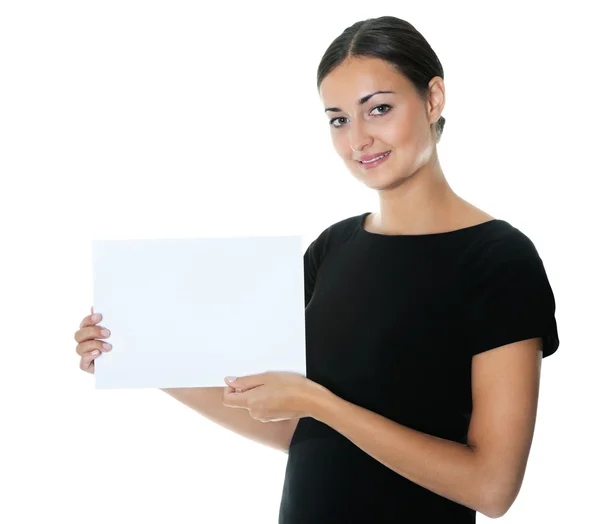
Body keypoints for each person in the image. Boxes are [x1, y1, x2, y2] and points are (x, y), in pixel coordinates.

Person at [74, 16, 560, 523]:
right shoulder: (332, 249)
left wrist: (320, 403)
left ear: (433, 99)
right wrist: (135, 354)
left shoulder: (500, 260)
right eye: (338, 119)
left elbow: (492, 486)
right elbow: (295, 428)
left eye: (379, 109)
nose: (359, 140)